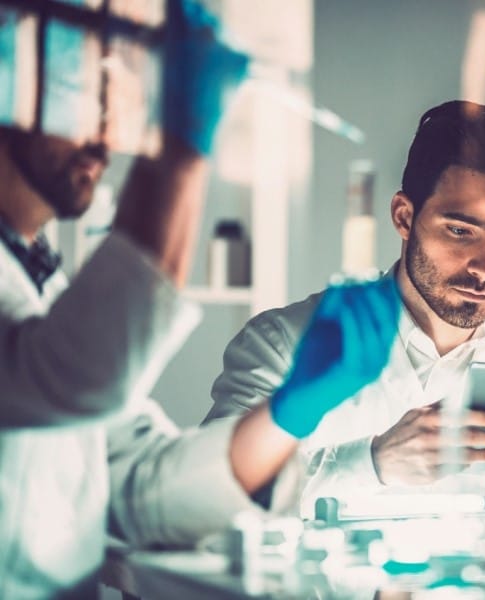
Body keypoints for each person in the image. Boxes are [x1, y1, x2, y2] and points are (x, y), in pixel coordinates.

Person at [0, 1, 399, 597]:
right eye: (79, 82)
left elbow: (139, 485)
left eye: (119, 88)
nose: (108, 125)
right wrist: (182, 145)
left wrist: (291, 412)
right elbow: (78, 376)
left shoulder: (35, 276)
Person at [205, 100, 485, 517]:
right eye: (461, 231)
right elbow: (208, 500)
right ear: (404, 217)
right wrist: (370, 464)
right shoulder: (281, 346)